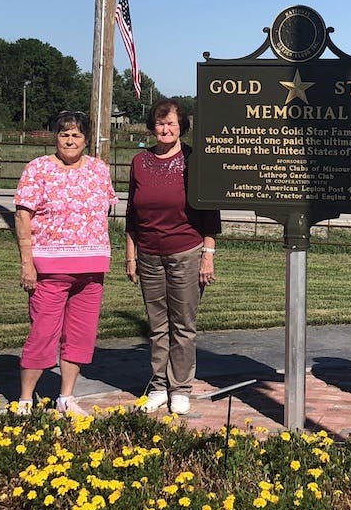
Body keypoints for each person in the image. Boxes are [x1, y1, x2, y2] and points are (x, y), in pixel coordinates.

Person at [14, 111, 117, 416]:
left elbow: (105, 211)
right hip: (49, 269)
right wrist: (26, 263)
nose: (70, 140)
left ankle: (66, 397)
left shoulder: (99, 170)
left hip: (92, 270)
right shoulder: (38, 169)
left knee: (80, 335)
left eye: (76, 135)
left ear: (86, 140)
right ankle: (25, 400)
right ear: (55, 137)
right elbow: (22, 216)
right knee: (42, 333)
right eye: (64, 134)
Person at [125, 97, 221, 415]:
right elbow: (131, 213)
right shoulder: (139, 162)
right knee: (157, 326)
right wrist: (131, 254)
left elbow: (210, 214)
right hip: (149, 254)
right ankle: (157, 387)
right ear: (152, 127)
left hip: (187, 251)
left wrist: (207, 254)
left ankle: (179, 388)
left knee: (182, 325)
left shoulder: (195, 161)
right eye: (160, 123)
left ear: (181, 127)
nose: (165, 129)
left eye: (171, 123)